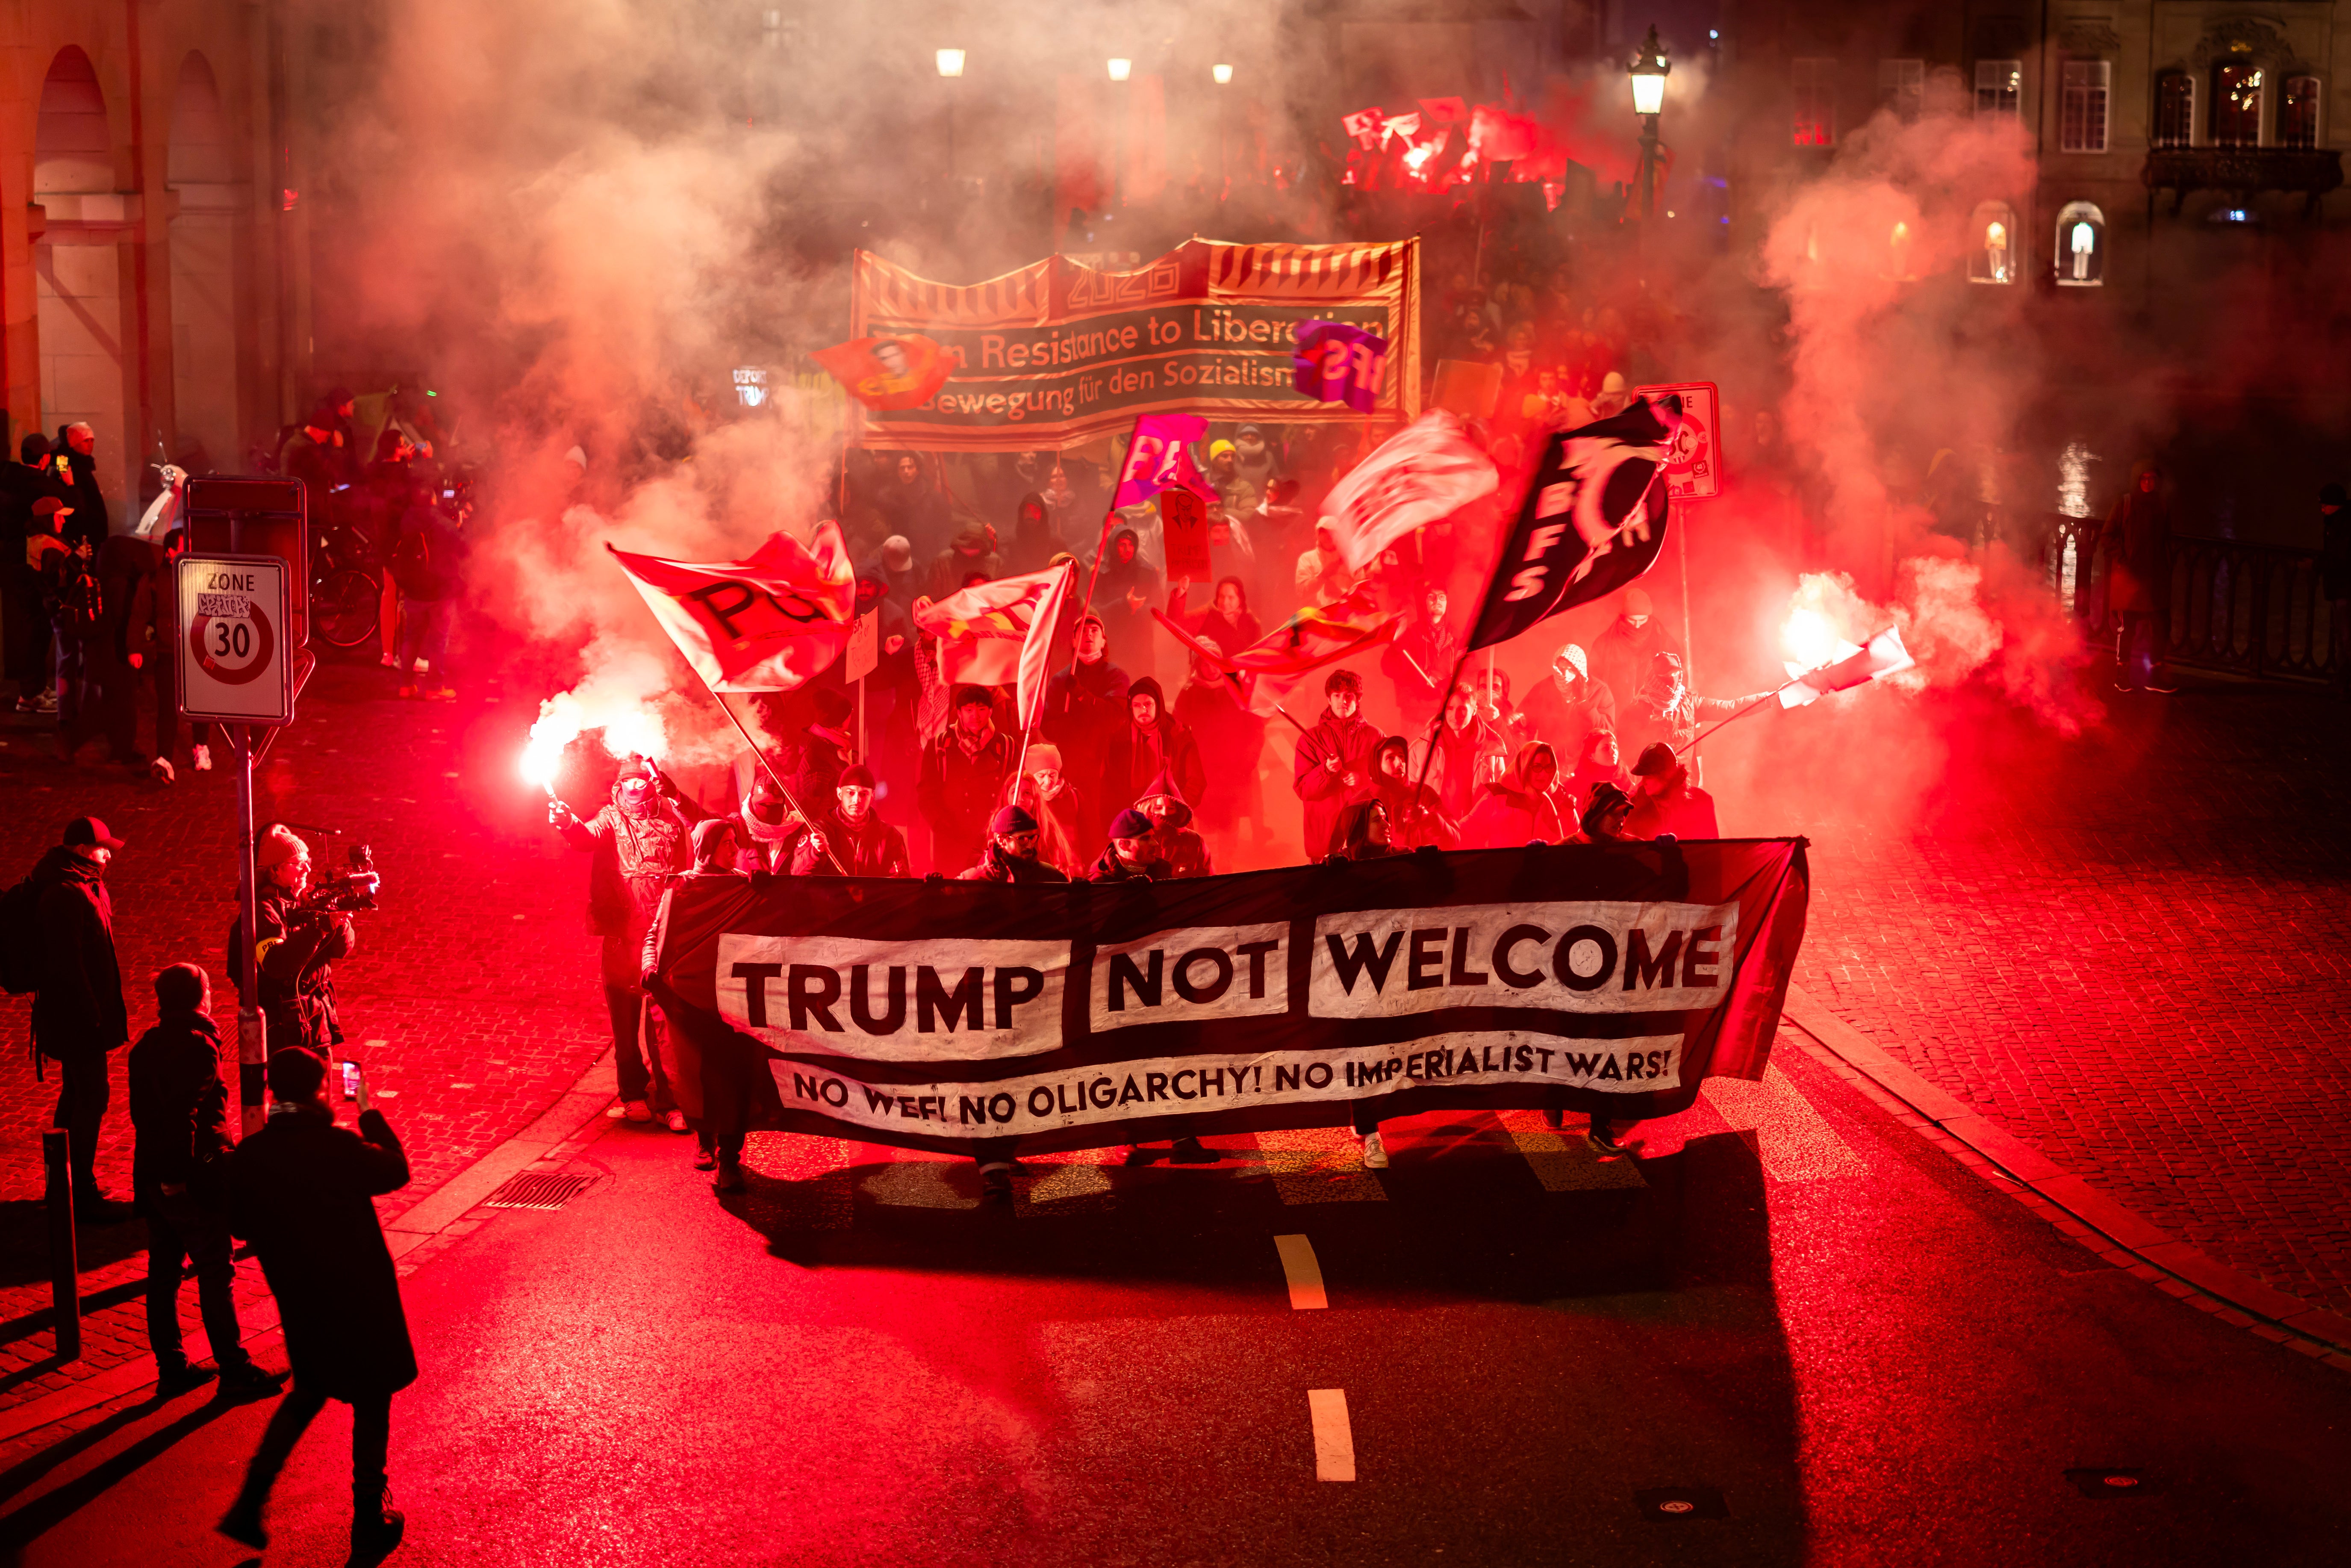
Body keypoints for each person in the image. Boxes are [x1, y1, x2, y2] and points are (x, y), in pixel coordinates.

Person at [217, 1046, 413, 1557]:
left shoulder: (253, 1156)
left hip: (301, 1297)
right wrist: (366, 1107)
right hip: (360, 1295)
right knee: (371, 1400)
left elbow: (238, 1222)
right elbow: (396, 1170)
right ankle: (369, 1511)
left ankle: (252, 1498)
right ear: (319, 1090)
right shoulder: (337, 1146)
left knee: (308, 1392)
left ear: (273, 1093)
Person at [130, 963, 284, 1399]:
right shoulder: (199, 1046)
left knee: (162, 1273)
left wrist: (158, 1177)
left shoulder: (146, 1045)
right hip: (190, 1178)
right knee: (216, 1270)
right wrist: (178, 1178)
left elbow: (144, 1116)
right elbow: (184, 1116)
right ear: (200, 997)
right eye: (209, 988)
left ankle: (172, 1367)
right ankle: (233, 1368)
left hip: (153, 1174)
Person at [551, 759, 695, 1128]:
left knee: (662, 1024)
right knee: (625, 1024)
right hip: (621, 935)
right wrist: (568, 823)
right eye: (628, 781)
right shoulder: (611, 818)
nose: (634, 787)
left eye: (641, 780)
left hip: (661, 936)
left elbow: (697, 836)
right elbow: (586, 838)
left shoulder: (670, 819)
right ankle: (633, 1094)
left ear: (652, 783)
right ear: (620, 785)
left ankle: (669, 1101)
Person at [29, 816, 134, 1218]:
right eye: (102, 847)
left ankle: (63, 1185)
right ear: (79, 851)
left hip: (85, 1014)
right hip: (78, 1017)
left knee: (76, 1094)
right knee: (91, 1096)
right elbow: (67, 964)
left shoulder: (86, 885)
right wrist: (91, 1012)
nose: (109, 854)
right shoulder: (64, 894)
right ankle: (81, 1193)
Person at [644, 820, 757, 1186]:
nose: (734, 848)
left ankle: (730, 1160)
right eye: (727, 843)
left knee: (733, 1080)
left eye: (735, 841)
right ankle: (705, 1141)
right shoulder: (683, 888)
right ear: (707, 848)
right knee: (699, 1077)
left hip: (732, 1000)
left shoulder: (743, 886)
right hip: (692, 1001)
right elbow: (655, 934)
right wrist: (649, 966)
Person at [229, 825, 358, 1072]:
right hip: (286, 1022)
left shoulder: (307, 897)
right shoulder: (263, 910)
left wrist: (339, 921)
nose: (308, 869)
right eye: (298, 863)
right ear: (276, 870)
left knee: (322, 1094)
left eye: (308, 861)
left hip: (316, 1014)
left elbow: (343, 949)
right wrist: (320, 927)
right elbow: (277, 964)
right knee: (295, 1094)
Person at [1169, 637, 1264, 852]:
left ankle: (1228, 862)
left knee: (1230, 820)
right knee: (1207, 820)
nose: (1211, 669)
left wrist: (1249, 759)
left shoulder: (1237, 689)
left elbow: (1256, 728)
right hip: (1204, 770)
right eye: (1205, 663)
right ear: (1198, 666)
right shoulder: (1189, 693)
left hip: (1235, 768)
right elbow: (1178, 730)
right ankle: (1211, 863)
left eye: (1214, 662)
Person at [1043, 614, 1130, 838]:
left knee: (1103, 826)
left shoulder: (1116, 676)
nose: (1088, 635)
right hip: (1071, 768)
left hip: (1108, 768)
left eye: (1094, 631)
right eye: (1082, 632)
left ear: (1104, 641)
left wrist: (1083, 696)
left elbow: (1114, 719)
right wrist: (1070, 726)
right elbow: (1048, 727)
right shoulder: (1060, 680)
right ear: (1073, 641)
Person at [919, 684, 1016, 875]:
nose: (976, 716)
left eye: (981, 710)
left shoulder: (1007, 746)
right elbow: (926, 794)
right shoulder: (939, 746)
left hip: (992, 841)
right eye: (969, 710)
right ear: (959, 712)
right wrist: (941, 825)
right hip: (951, 840)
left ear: (990, 711)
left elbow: (1013, 792)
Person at [2104, 463, 2177, 694]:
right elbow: (2107, 536)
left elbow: (2167, 539)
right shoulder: (2125, 504)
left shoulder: (2161, 506)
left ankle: (2154, 677)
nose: (2148, 483)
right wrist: (2124, 560)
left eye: (2152, 479)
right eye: (2144, 479)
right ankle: (2122, 675)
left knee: (2161, 627)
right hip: (2130, 581)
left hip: (2155, 580)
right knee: (2128, 630)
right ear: (2137, 480)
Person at [1293, 669, 1380, 860]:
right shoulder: (1309, 739)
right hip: (1324, 839)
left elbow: (1386, 784)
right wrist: (1325, 771)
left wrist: (1361, 778)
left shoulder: (1375, 736)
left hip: (1365, 837)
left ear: (1358, 699)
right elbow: (1303, 790)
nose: (1344, 701)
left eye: (1349, 695)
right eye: (1337, 695)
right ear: (1329, 700)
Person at [389, 492, 466, 699]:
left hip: (414, 590)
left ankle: (406, 686)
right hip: (440, 592)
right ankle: (434, 688)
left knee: (411, 637)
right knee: (438, 641)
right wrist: (459, 527)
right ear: (432, 500)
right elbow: (464, 550)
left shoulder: (405, 520)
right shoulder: (443, 524)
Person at [1624, 651, 1761, 760]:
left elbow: (1731, 708)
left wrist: (1770, 698)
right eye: (1666, 674)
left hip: (1685, 786)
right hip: (1653, 788)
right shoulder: (1637, 711)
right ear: (1654, 677)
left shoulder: (1690, 703)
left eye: (1675, 673)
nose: (1672, 678)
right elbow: (1627, 755)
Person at [1102, 677, 1205, 816]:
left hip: (1171, 820)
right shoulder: (1119, 739)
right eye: (1137, 705)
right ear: (1131, 707)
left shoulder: (1178, 736)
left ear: (1158, 705)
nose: (1143, 709)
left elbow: (1196, 781)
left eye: (1148, 704)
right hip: (1133, 822)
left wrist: (1176, 809)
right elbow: (1109, 784)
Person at [787, 765, 912, 878]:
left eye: (864, 794)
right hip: (831, 903)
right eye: (850, 793)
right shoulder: (817, 831)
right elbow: (798, 874)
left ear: (873, 796)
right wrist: (814, 852)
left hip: (873, 903)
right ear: (840, 794)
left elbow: (901, 882)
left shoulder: (890, 836)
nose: (857, 800)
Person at [997, 744, 1089, 878]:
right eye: (1041, 776)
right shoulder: (1019, 807)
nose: (1048, 781)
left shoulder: (1073, 798)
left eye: (1052, 775)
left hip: (1072, 871)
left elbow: (1089, 838)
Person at [1460, 741, 1575, 847]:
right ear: (1524, 767)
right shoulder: (1497, 797)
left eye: (1549, 767)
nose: (1544, 774)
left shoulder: (1562, 800)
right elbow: (1466, 834)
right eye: (1537, 767)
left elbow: (1578, 842)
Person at [1587, 587, 1682, 713]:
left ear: (1650, 617)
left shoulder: (1664, 642)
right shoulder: (1604, 644)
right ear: (1623, 617)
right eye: (1632, 620)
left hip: (1653, 712)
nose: (1637, 626)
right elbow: (1593, 681)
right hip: (1615, 712)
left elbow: (1679, 678)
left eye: (1643, 620)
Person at [1424, 682, 1506, 823]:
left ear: (1474, 710)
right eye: (1450, 708)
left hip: (1477, 831)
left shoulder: (1491, 751)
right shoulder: (1424, 747)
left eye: (1462, 709)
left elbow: (1500, 798)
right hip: (1437, 829)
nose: (1455, 715)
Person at [1519, 643, 1617, 755]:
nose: (1565, 675)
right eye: (1561, 669)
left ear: (1580, 669)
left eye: (1571, 670)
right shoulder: (1543, 688)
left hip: (1586, 760)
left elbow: (1606, 732)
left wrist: (1584, 703)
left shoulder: (1600, 691)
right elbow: (1525, 723)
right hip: (1550, 760)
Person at [1094, 528, 1161, 681]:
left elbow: (1158, 606)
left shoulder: (1147, 572)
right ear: (1113, 546)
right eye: (1122, 544)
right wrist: (1124, 605)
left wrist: (1139, 608)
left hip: (1140, 645)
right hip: (1113, 644)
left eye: (1131, 545)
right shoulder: (1102, 573)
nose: (1127, 550)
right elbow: (1095, 610)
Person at [1367, 735, 1455, 850]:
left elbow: (1454, 841)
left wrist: (1428, 819)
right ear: (1377, 764)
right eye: (1391, 758)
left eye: (1402, 757)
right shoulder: (1365, 801)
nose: (1400, 763)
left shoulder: (1425, 794)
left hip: (1420, 866)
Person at [1382, 586, 1459, 716]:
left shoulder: (1457, 639)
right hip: (1415, 716)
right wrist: (1395, 647)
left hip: (1448, 714)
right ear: (1424, 603)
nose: (1437, 600)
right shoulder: (1410, 636)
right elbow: (1391, 669)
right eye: (1431, 596)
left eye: (1442, 597)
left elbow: (1469, 674)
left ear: (1447, 603)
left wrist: (1444, 688)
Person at [1624, 742, 1719, 840]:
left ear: (1667, 776)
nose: (1643, 782)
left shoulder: (1701, 801)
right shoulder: (1636, 806)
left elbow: (1712, 849)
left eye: (1648, 777)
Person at [958, 805, 1072, 884]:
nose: (1030, 845)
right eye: (1022, 839)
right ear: (1002, 841)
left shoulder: (1051, 876)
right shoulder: (977, 880)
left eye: (1032, 838)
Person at [1133, 767, 1212, 877]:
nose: (1165, 813)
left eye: (1171, 808)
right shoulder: (1133, 839)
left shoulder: (1194, 840)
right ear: (1148, 809)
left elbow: (1207, 878)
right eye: (1158, 808)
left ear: (1178, 810)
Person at [1087, 807, 1170, 882]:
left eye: (1153, 837)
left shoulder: (1164, 870)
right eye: (1145, 839)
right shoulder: (1101, 882)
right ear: (1123, 845)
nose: (1156, 843)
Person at [2322, 482, 2350, 702]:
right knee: (2342, 638)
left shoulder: (2343, 525)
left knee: (2346, 638)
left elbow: (2341, 557)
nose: (2321, 508)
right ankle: (2342, 680)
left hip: (2345, 589)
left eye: (2324, 504)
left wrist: (2316, 566)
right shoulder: (2336, 522)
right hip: (2340, 588)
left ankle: (2344, 682)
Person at [927, 522, 1001, 602]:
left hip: (984, 611)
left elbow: (1000, 595)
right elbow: (933, 596)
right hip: (950, 612)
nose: (970, 549)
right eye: (967, 546)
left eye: (975, 546)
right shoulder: (942, 562)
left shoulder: (995, 562)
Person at [1567, 727, 1633, 805]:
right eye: (1606, 748)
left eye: (1614, 747)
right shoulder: (1578, 787)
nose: (1613, 752)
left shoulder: (1625, 776)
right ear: (1591, 756)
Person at [1327, 797, 1397, 861]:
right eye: (1377, 820)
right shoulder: (1338, 865)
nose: (1388, 825)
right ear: (1358, 827)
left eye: (1385, 818)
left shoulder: (1402, 858)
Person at [1569, 781, 1637, 845]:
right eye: (1615, 813)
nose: (1622, 819)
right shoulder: (1565, 850)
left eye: (1624, 813)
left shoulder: (1635, 847)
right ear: (1596, 815)